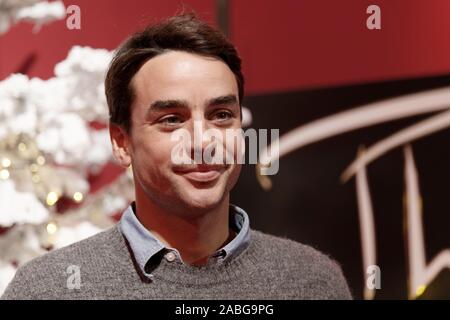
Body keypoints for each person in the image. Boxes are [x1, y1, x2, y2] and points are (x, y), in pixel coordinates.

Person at [1, 13, 351, 300]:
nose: (203, 142)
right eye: (172, 119)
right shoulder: (49, 290)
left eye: (221, 115)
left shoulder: (312, 282)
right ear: (121, 142)